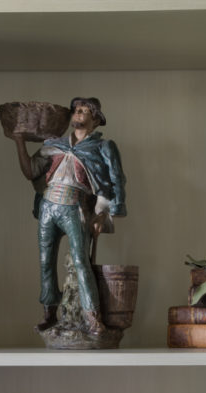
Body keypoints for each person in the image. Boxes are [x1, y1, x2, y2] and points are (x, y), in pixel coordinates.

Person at [12, 96, 126, 335]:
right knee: (45, 262)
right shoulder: (54, 144)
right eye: (76, 110)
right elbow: (30, 171)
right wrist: (19, 143)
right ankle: (49, 312)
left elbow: (116, 180)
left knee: (81, 262)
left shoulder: (103, 147)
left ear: (95, 119)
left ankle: (92, 316)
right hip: (48, 205)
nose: (78, 114)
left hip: (76, 206)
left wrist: (104, 214)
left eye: (84, 111)